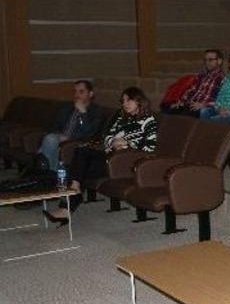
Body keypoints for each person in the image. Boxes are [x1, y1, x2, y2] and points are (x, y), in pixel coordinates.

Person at [44, 87, 157, 225]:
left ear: (139, 100)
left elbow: (149, 148)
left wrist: (128, 144)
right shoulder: (121, 116)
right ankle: (69, 200)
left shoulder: (149, 121)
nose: (125, 103)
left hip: (127, 162)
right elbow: (107, 136)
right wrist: (113, 142)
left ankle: (71, 198)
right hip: (110, 156)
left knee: (78, 168)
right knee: (80, 155)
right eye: (123, 101)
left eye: (129, 100)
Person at [37, 80, 104, 171]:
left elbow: (90, 133)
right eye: (75, 91)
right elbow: (55, 126)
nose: (77, 95)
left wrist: (83, 113)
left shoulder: (96, 112)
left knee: (49, 142)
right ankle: (49, 173)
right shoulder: (67, 109)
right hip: (59, 138)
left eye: (81, 91)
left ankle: (47, 171)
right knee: (50, 139)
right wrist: (59, 134)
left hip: (77, 142)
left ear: (90, 94)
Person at [164, 49, 225, 117]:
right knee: (165, 112)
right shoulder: (201, 76)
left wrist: (203, 105)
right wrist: (180, 102)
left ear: (219, 61)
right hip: (189, 105)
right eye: (205, 60)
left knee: (181, 117)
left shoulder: (222, 79)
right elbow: (191, 90)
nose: (207, 62)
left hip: (201, 108)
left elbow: (222, 100)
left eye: (210, 60)